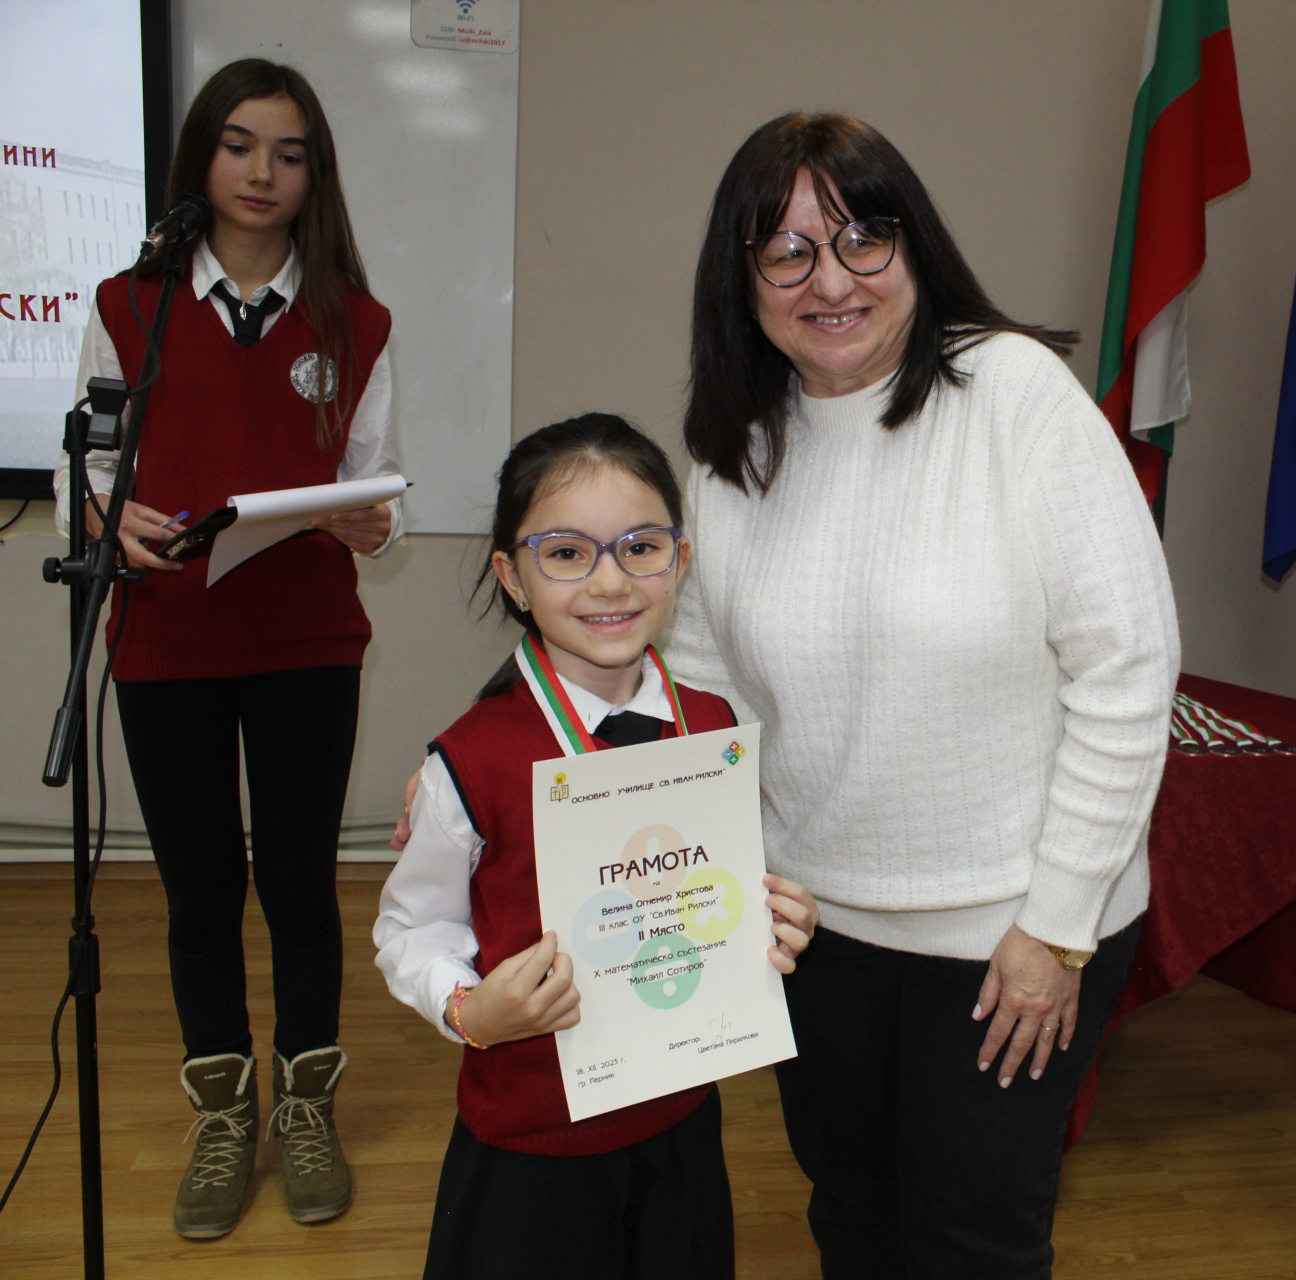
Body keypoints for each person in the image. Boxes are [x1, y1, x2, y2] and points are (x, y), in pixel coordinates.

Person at [669, 113, 1180, 1278]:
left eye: (863, 237)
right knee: (852, 1212)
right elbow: (703, 691)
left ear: (914, 244)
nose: (831, 279)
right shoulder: (731, 445)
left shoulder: (1016, 393)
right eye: (787, 251)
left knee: (970, 1243)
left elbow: (1125, 671)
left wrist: (1057, 926)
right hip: (815, 929)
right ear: (741, 279)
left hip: (1012, 930)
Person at [51, 58, 402, 1240]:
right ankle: (222, 1113)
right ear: (199, 157)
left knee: (299, 882)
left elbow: (375, 482)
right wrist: (107, 515)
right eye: (239, 145)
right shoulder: (128, 306)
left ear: (316, 174)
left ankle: (305, 1107)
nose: (262, 172)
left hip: (307, 639)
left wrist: (373, 522)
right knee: (199, 890)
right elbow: (90, 465)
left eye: (289, 153)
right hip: (167, 642)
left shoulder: (356, 319)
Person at [374, 413, 821, 1280]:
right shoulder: (471, 761)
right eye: (568, 553)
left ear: (680, 561)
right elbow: (410, 931)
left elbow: (714, 893)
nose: (610, 581)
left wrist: (772, 918)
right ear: (512, 575)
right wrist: (470, 1011)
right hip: (533, 1143)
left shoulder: (713, 728)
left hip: (681, 1122)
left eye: (640, 548)